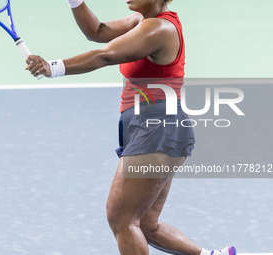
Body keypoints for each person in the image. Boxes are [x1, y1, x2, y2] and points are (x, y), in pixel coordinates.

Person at [25, 0, 237, 255]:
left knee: (122, 219)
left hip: (156, 130)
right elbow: (98, 31)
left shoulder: (159, 29)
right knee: (147, 226)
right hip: (157, 129)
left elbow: (105, 55)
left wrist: (53, 67)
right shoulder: (142, 21)